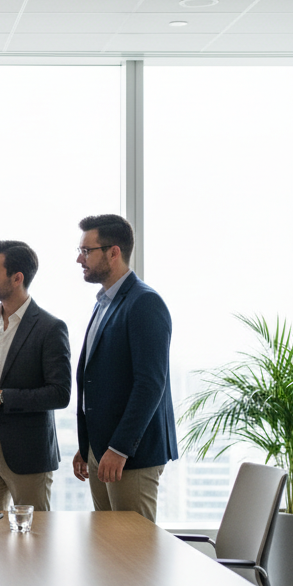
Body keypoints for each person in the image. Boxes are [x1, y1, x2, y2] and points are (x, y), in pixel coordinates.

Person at [72, 214, 177, 522]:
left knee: (135, 553)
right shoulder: (103, 303)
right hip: (100, 452)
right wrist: (87, 445)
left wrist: (119, 448)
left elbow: (149, 385)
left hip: (130, 455)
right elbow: (97, 379)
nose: (80, 258)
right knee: (107, 549)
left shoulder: (145, 303)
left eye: (87, 250)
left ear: (113, 252)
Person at [0, 240, 71, 511]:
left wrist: (0, 397)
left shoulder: (50, 328)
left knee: (34, 539)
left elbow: (60, 393)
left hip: (28, 453)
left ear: (17, 278)